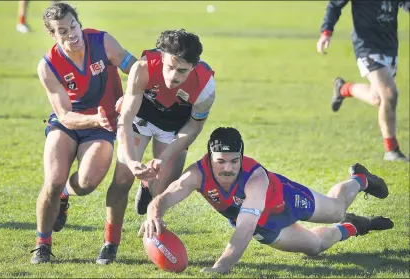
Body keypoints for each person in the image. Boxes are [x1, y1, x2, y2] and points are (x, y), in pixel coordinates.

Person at [139, 127, 394, 274]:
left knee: (337, 209)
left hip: (285, 199)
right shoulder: (196, 174)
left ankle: (360, 179)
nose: (228, 168)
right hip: (265, 224)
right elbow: (165, 196)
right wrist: (155, 213)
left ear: (241, 157)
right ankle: (357, 226)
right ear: (209, 157)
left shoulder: (256, 179)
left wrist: (221, 267)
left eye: (234, 161)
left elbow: (244, 229)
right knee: (315, 247)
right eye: (221, 161)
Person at [95, 29, 216, 264]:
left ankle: (149, 193)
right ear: (161, 57)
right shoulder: (143, 68)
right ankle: (110, 243)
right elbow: (126, 119)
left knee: (164, 190)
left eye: (182, 70)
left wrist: (164, 157)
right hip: (141, 120)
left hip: (174, 129)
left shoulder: (206, 86)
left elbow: (193, 129)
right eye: (169, 67)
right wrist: (131, 162)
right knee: (121, 179)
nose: (173, 76)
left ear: (194, 66)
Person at [30, 2, 137, 264]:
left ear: (79, 23)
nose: (71, 34)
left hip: (104, 125)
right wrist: (93, 118)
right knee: (53, 181)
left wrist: (135, 90)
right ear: (53, 35)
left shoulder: (102, 42)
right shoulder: (48, 66)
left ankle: (67, 194)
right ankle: (42, 244)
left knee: (87, 184)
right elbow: (65, 115)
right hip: (70, 123)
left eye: (73, 26)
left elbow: (135, 68)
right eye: (62, 31)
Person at [316, 0, 410, 162]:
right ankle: (391, 150)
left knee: (378, 98)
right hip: (367, 47)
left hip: (389, 45)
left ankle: (343, 89)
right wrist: (326, 31)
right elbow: (334, 5)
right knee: (389, 93)